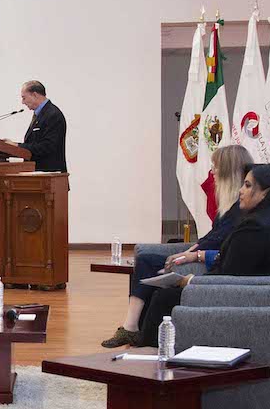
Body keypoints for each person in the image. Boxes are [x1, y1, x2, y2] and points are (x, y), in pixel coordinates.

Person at [135, 163, 270, 344]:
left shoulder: (255, 230)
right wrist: (198, 258)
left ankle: (148, 354)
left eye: (248, 185)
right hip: (253, 295)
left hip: (233, 298)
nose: (240, 190)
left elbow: (230, 275)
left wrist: (189, 281)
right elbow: (241, 265)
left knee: (162, 297)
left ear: (265, 193)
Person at [104, 143, 251, 348]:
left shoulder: (240, 210)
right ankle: (131, 327)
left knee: (148, 262)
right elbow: (212, 237)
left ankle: (132, 329)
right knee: (145, 259)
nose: (212, 172)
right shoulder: (229, 206)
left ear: (227, 171)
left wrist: (189, 255)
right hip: (199, 258)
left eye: (216, 167)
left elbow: (219, 244)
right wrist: (188, 251)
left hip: (210, 266)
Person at [14, 80, 67, 173]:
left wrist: (18, 146)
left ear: (34, 95)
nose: (22, 102)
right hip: (37, 174)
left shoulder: (52, 114)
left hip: (50, 175)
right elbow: (35, 142)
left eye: (24, 98)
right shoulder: (40, 114)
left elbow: (47, 147)